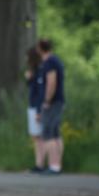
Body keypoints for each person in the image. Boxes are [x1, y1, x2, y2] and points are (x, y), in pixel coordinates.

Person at [37, 38, 65, 175]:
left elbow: (51, 82)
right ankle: (58, 164)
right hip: (58, 101)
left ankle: (54, 166)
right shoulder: (56, 60)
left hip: (52, 102)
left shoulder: (49, 62)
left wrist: (47, 100)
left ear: (40, 48)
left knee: (48, 133)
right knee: (55, 133)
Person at [25, 46, 46, 172]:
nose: (26, 59)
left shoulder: (40, 71)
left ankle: (40, 164)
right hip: (32, 106)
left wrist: (39, 111)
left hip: (36, 107)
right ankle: (38, 163)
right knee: (36, 137)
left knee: (39, 137)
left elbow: (40, 93)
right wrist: (29, 79)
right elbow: (32, 89)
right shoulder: (34, 72)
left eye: (27, 57)